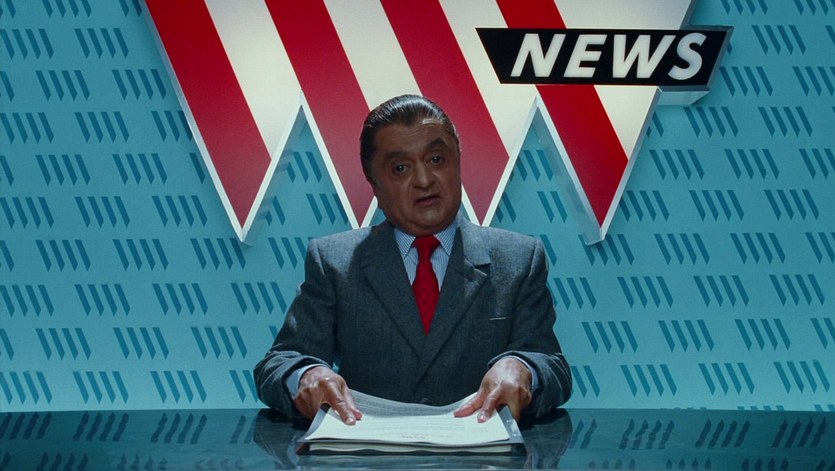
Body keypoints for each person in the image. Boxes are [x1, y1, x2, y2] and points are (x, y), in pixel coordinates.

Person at [254, 94, 571, 424]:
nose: (424, 180)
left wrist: (523, 368)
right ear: (374, 186)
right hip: (368, 450)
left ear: (458, 163)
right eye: (400, 168)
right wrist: (306, 375)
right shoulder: (334, 261)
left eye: (436, 159)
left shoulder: (519, 258)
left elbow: (552, 365)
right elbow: (279, 363)